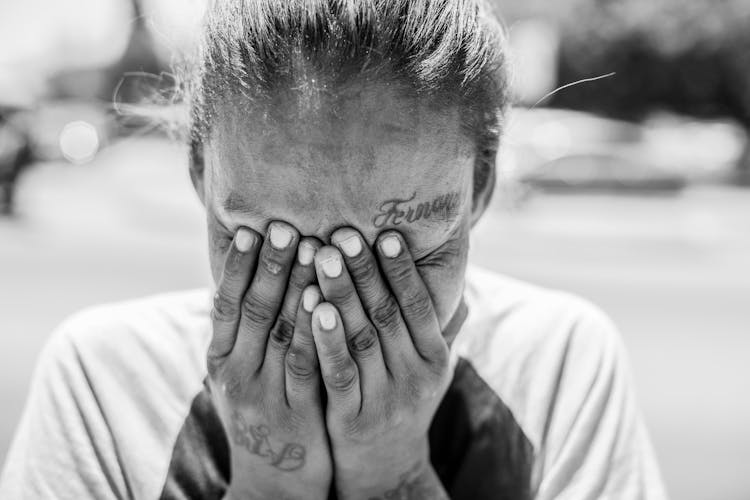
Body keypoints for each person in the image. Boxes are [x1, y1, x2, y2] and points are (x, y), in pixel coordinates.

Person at [0, 1, 667, 498]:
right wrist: (269, 485)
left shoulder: (556, 368)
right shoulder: (105, 385)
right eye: (268, 248)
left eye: (401, 253)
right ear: (202, 173)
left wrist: (394, 475)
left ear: (480, 185)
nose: (330, 308)